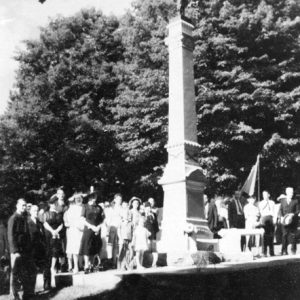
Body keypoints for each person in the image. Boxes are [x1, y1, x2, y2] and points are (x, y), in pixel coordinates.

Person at [8, 199, 34, 300]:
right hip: (17, 251)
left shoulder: (24, 218)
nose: (24, 208)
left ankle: (26, 294)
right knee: (15, 274)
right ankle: (15, 296)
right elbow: (11, 236)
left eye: (25, 206)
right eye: (22, 206)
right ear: (17, 206)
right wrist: (15, 251)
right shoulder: (13, 219)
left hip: (25, 250)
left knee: (25, 272)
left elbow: (26, 235)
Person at [79, 192, 104, 273]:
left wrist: (98, 227)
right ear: (89, 198)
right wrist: (92, 227)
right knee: (87, 247)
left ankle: (92, 264)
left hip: (97, 229)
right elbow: (82, 218)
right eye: (92, 197)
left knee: (94, 247)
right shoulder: (85, 207)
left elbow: (102, 219)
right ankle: (86, 265)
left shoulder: (99, 207)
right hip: (88, 229)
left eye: (95, 198)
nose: (94, 199)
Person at [27, 205, 48, 292]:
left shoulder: (39, 223)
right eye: (34, 211)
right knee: (32, 270)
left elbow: (43, 236)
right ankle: (31, 290)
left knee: (46, 267)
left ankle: (47, 286)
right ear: (30, 212)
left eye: (37, 211)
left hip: (40, 249)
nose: (36, 212)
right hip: (32, 250)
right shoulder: (28, 222)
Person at [43, 195, 64, 275]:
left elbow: (61, 224)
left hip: (57, 234)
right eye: (53, 204)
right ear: (50, 204)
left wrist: (56, 231)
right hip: (49, 234)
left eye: (56, 204)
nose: (55, 205)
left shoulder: (59, 214)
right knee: (50, 251)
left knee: (56, 251)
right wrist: (52, 231)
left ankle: (55, 267)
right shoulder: (46, 213)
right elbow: (45, 223)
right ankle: (51, 268)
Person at [64, 194, 84, 273]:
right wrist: (75, 225)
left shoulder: (83, 207)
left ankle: (81, 265)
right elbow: (68, 221)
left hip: (81, 230)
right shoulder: (71, 209)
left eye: (80, 199)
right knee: (74, 248)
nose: (78, 200)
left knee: (80, 247)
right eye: (77, 199)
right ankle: (75, 266)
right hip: (73, 230)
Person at [279, 187, 298, 255]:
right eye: (290, 192)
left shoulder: (295, 201)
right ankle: (284, 250)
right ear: (286, 193)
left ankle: (293, 250)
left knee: (293, 236)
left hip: (293, 221)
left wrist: (292, 215)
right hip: (284, 221)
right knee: (284, 235)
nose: (291, 194)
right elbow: (280, 210)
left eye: (292, 192)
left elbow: (297, 211)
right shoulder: (282, 200)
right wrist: (281, 217)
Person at [106, 194, 123, 268]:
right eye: (118, 199)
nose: (119, 201)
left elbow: (123, 217)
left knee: (117, 245)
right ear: (115, 200)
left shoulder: (122, 208)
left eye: (120, 199)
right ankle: (110, 260)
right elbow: (108, 219)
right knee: (111, 245)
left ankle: (115, 262)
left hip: (120, 228)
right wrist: (108, 229)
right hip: (113, 227)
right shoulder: (111, 208)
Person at [258, 191, 276, 256]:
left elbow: (274, 211)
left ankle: (272, 252)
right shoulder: (261, 203)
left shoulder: (272, 202)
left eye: (266, 195)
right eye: (263, 195)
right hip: (264, 218)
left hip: (270, 218)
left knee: (271, 236)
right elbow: (260, 211)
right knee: (265, 236)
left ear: (269, 195)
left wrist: (274, 220)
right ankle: (264, 252)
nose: (265, 196)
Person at [144, 201, 159, 267]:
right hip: (145, 234)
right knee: (147, 248)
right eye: (146, 207)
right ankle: (147, 263)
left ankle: (154, 263)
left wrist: (155, 233)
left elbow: (156, 225)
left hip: (153, 234)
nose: (148, 208)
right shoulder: (142, 214)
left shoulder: (154, 214)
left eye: (149, 207)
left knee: (154, 249)